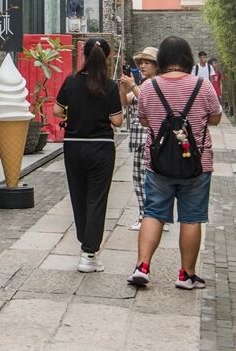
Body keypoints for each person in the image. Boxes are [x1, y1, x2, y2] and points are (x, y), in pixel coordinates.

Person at [127, 36, 222, 290]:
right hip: (197, 163)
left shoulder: (148, 87)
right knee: (191, 218)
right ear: (187, 59)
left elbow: (144, 121)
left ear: (162, 60)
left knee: (153, 212)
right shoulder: (202, 87)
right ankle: (186, 275)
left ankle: (142, 266)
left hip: (158, 164)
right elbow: (215, 119)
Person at [56, 38, 125, 273]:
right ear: (106, 58)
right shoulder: (110, 85)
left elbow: (57, 110)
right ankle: (88, 253)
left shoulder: (71, 81)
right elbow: (117, 120)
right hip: (101, 148)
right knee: (96, 198)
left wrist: (71, 115)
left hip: (73, 147)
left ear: (83, 56)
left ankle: (84, 242)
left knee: (78, 195)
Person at [119, 47, 158, 230]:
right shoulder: (143, 83)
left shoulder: (156, 83)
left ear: (157, 66)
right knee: (140, 178)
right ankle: (153, 217)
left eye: (147, 62)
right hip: (138, 137)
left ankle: (146, 217)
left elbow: (149, 103)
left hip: (149, 138)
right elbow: (124, 102)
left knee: (144, 179)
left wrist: (133, 86)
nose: (142, 65)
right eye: (141, 63)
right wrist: (123, 87)